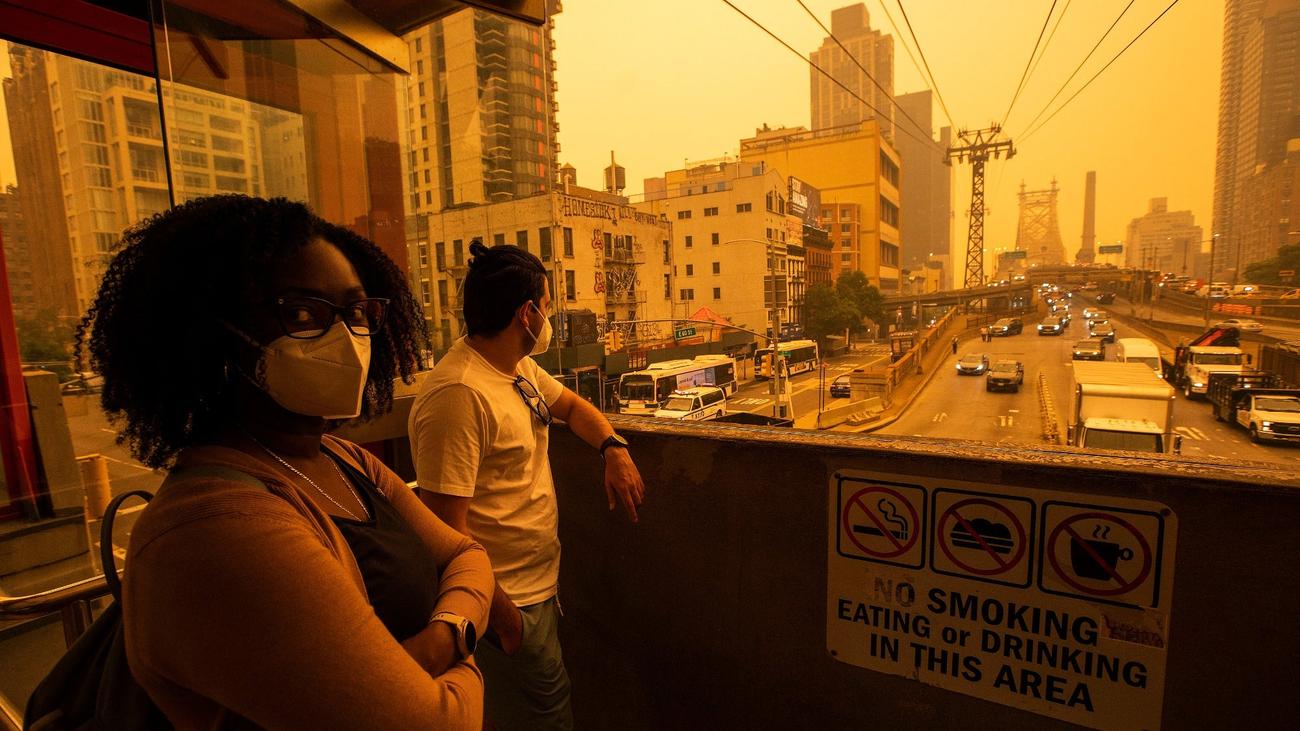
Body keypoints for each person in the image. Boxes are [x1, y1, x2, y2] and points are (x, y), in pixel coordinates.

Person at [81, 195, 494, 729]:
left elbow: (467, 553)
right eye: (302, 313)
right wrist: (468, 647)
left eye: (357, 312)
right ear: (213, 332)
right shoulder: (214, 530)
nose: (346, 337)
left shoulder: (340, 459)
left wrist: (446, 637)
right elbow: (437, 723)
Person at [409, 242, 646, 730]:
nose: (551, 318)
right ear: (528, 313)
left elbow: (575, 409)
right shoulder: (459, 395)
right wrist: (505, 623)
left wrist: (613, 448)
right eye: (549, 306)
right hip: (505, 605)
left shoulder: (516, 368)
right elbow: (445, 535)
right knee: (544, 717)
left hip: (538, 591)